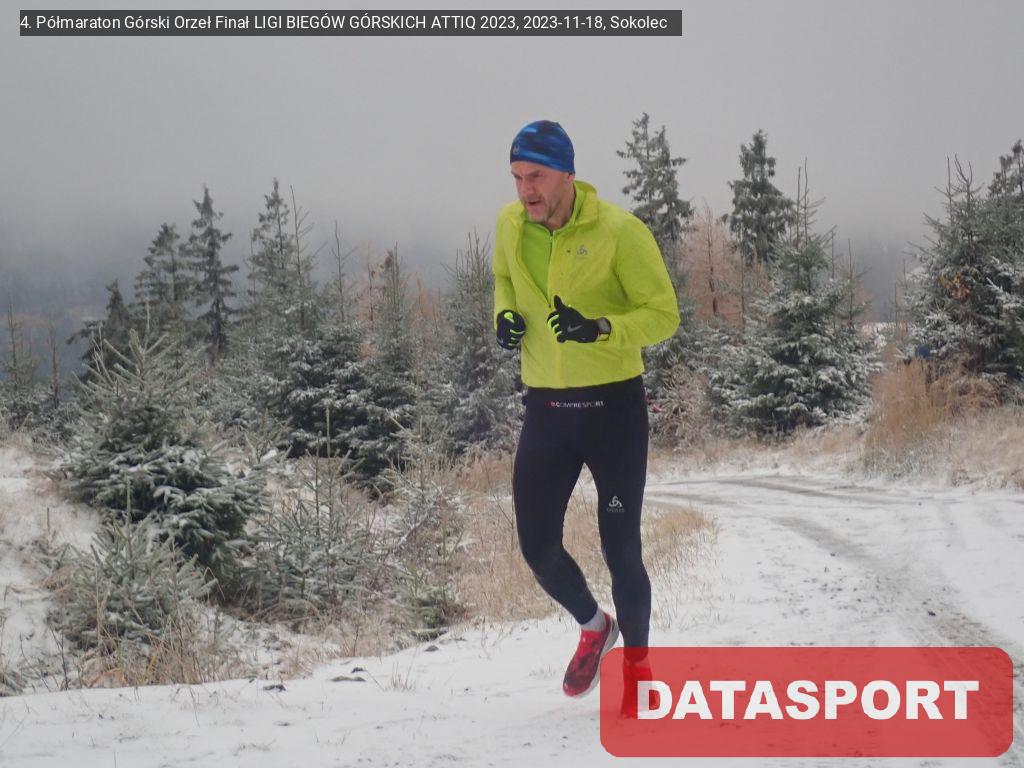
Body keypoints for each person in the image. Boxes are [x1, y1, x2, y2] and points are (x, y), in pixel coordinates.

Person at [492, 120, 680, 713]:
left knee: (621, 550)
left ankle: (639, 672)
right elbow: (503, 280)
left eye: (537, 176)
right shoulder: (509, 225)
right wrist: (504, 316)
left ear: (568, 174)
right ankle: (595, 627)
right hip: (547, 409)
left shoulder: (620, 231)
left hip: (612, 412)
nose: (526, 189)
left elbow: (663, 314)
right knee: (537, 546)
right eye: (518, 177)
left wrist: (600, 327)